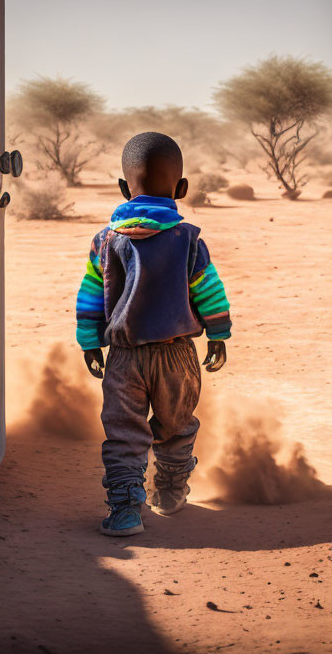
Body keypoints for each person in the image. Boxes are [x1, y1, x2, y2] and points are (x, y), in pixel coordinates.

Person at [75, 131, 232, 536]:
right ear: (181, 188)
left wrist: (90, 341)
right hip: (177, 355)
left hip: (125, 357)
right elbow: (209, 289)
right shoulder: (188, 240)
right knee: (176, 425)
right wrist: (218, 333)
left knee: (125, 434)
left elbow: (91, 295)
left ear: (124, 189)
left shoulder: (105, 241)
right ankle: (170, 490)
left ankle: (126, 511)